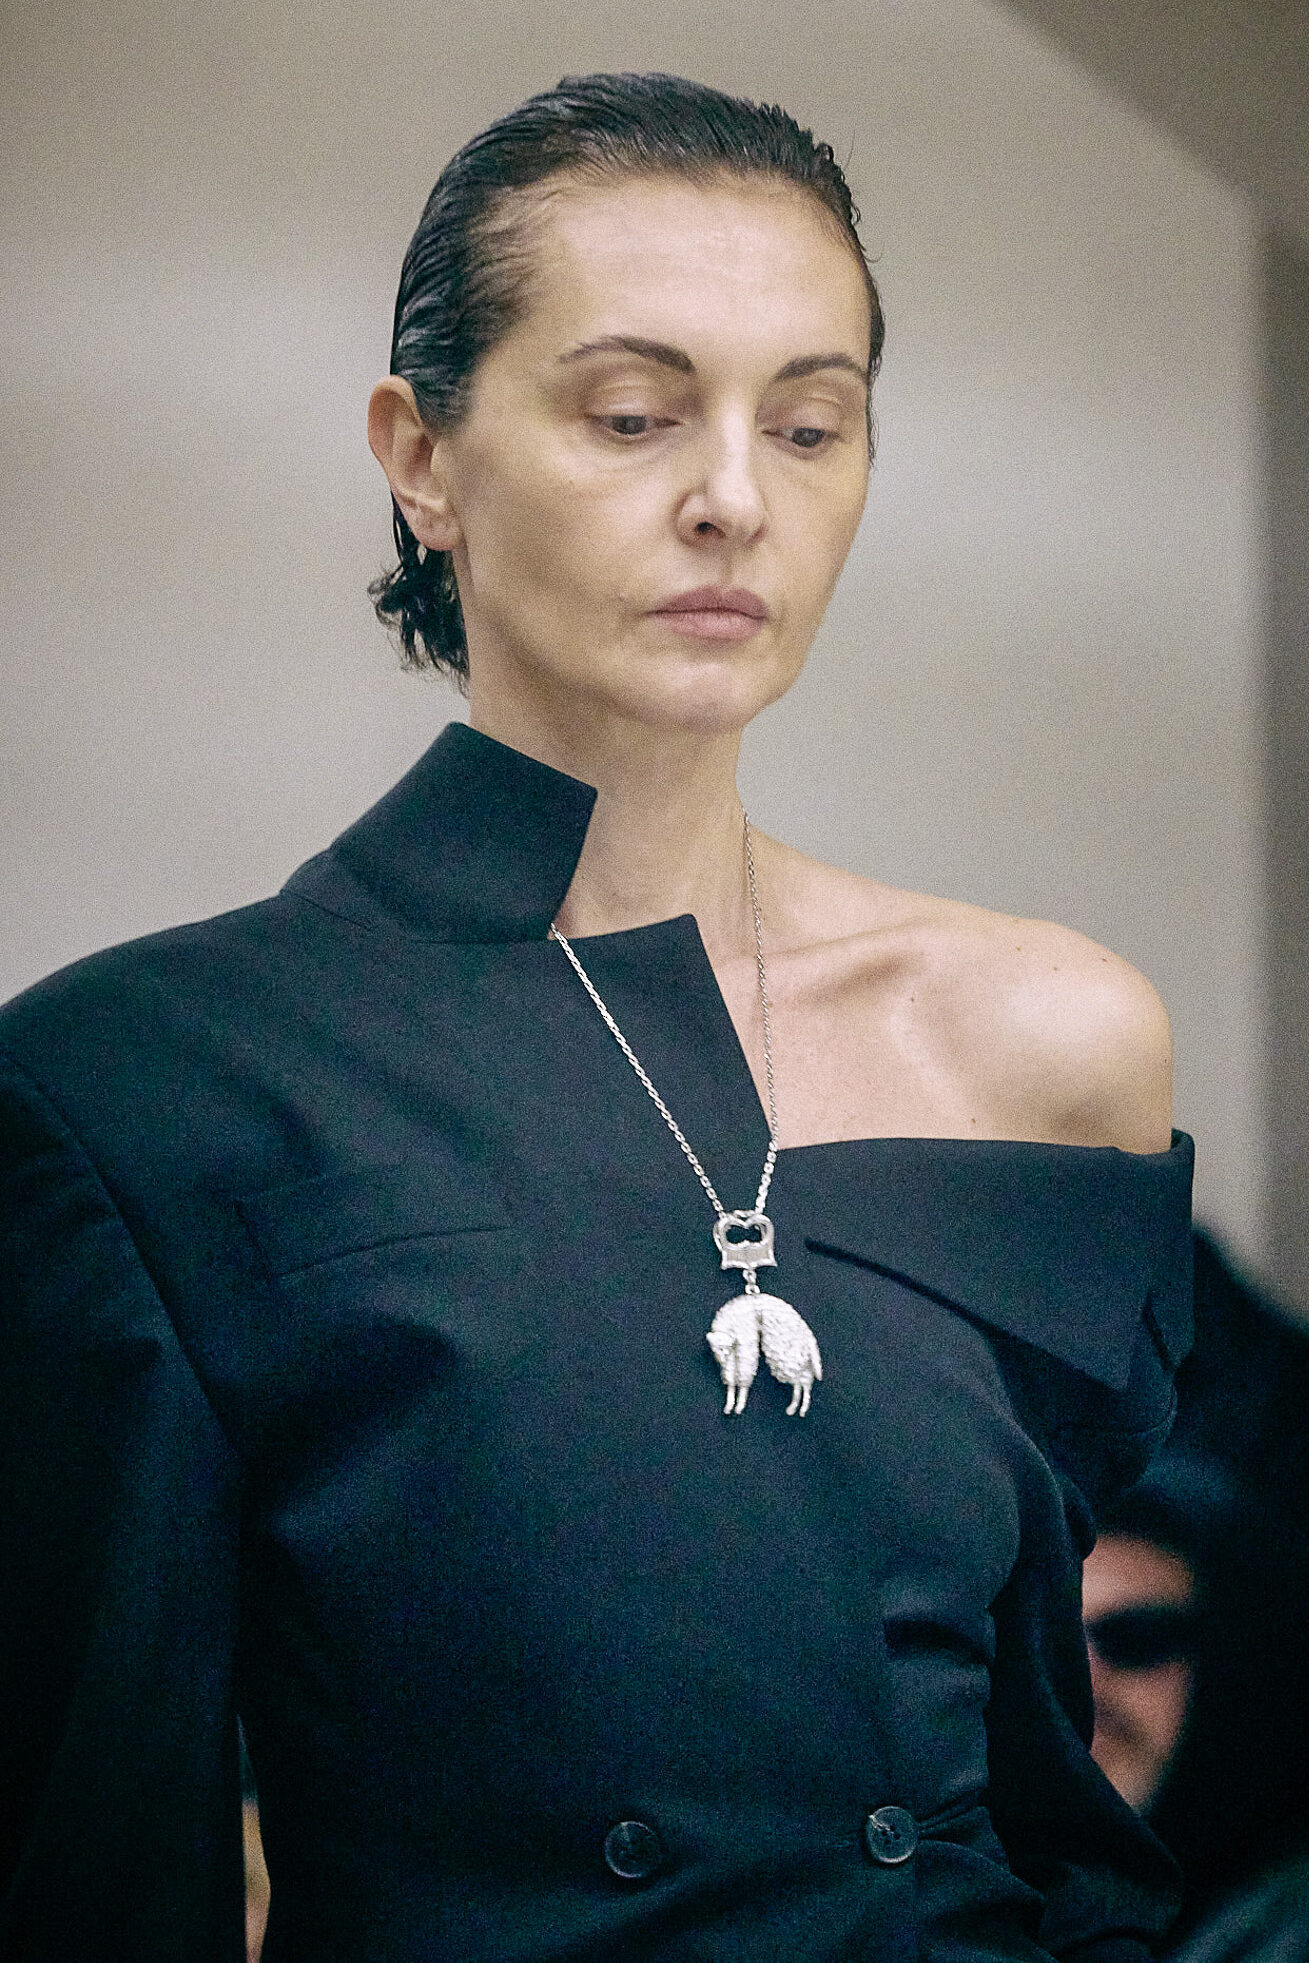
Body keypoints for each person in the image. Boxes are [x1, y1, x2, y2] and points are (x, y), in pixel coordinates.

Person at [0, 72, 1194, 1962]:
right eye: (633, 415)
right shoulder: (144, 1086)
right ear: (422, 456)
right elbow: (93, 1882)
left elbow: (1057, 1814)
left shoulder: (1045, 1041)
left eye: (809, 425)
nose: (734, 498)